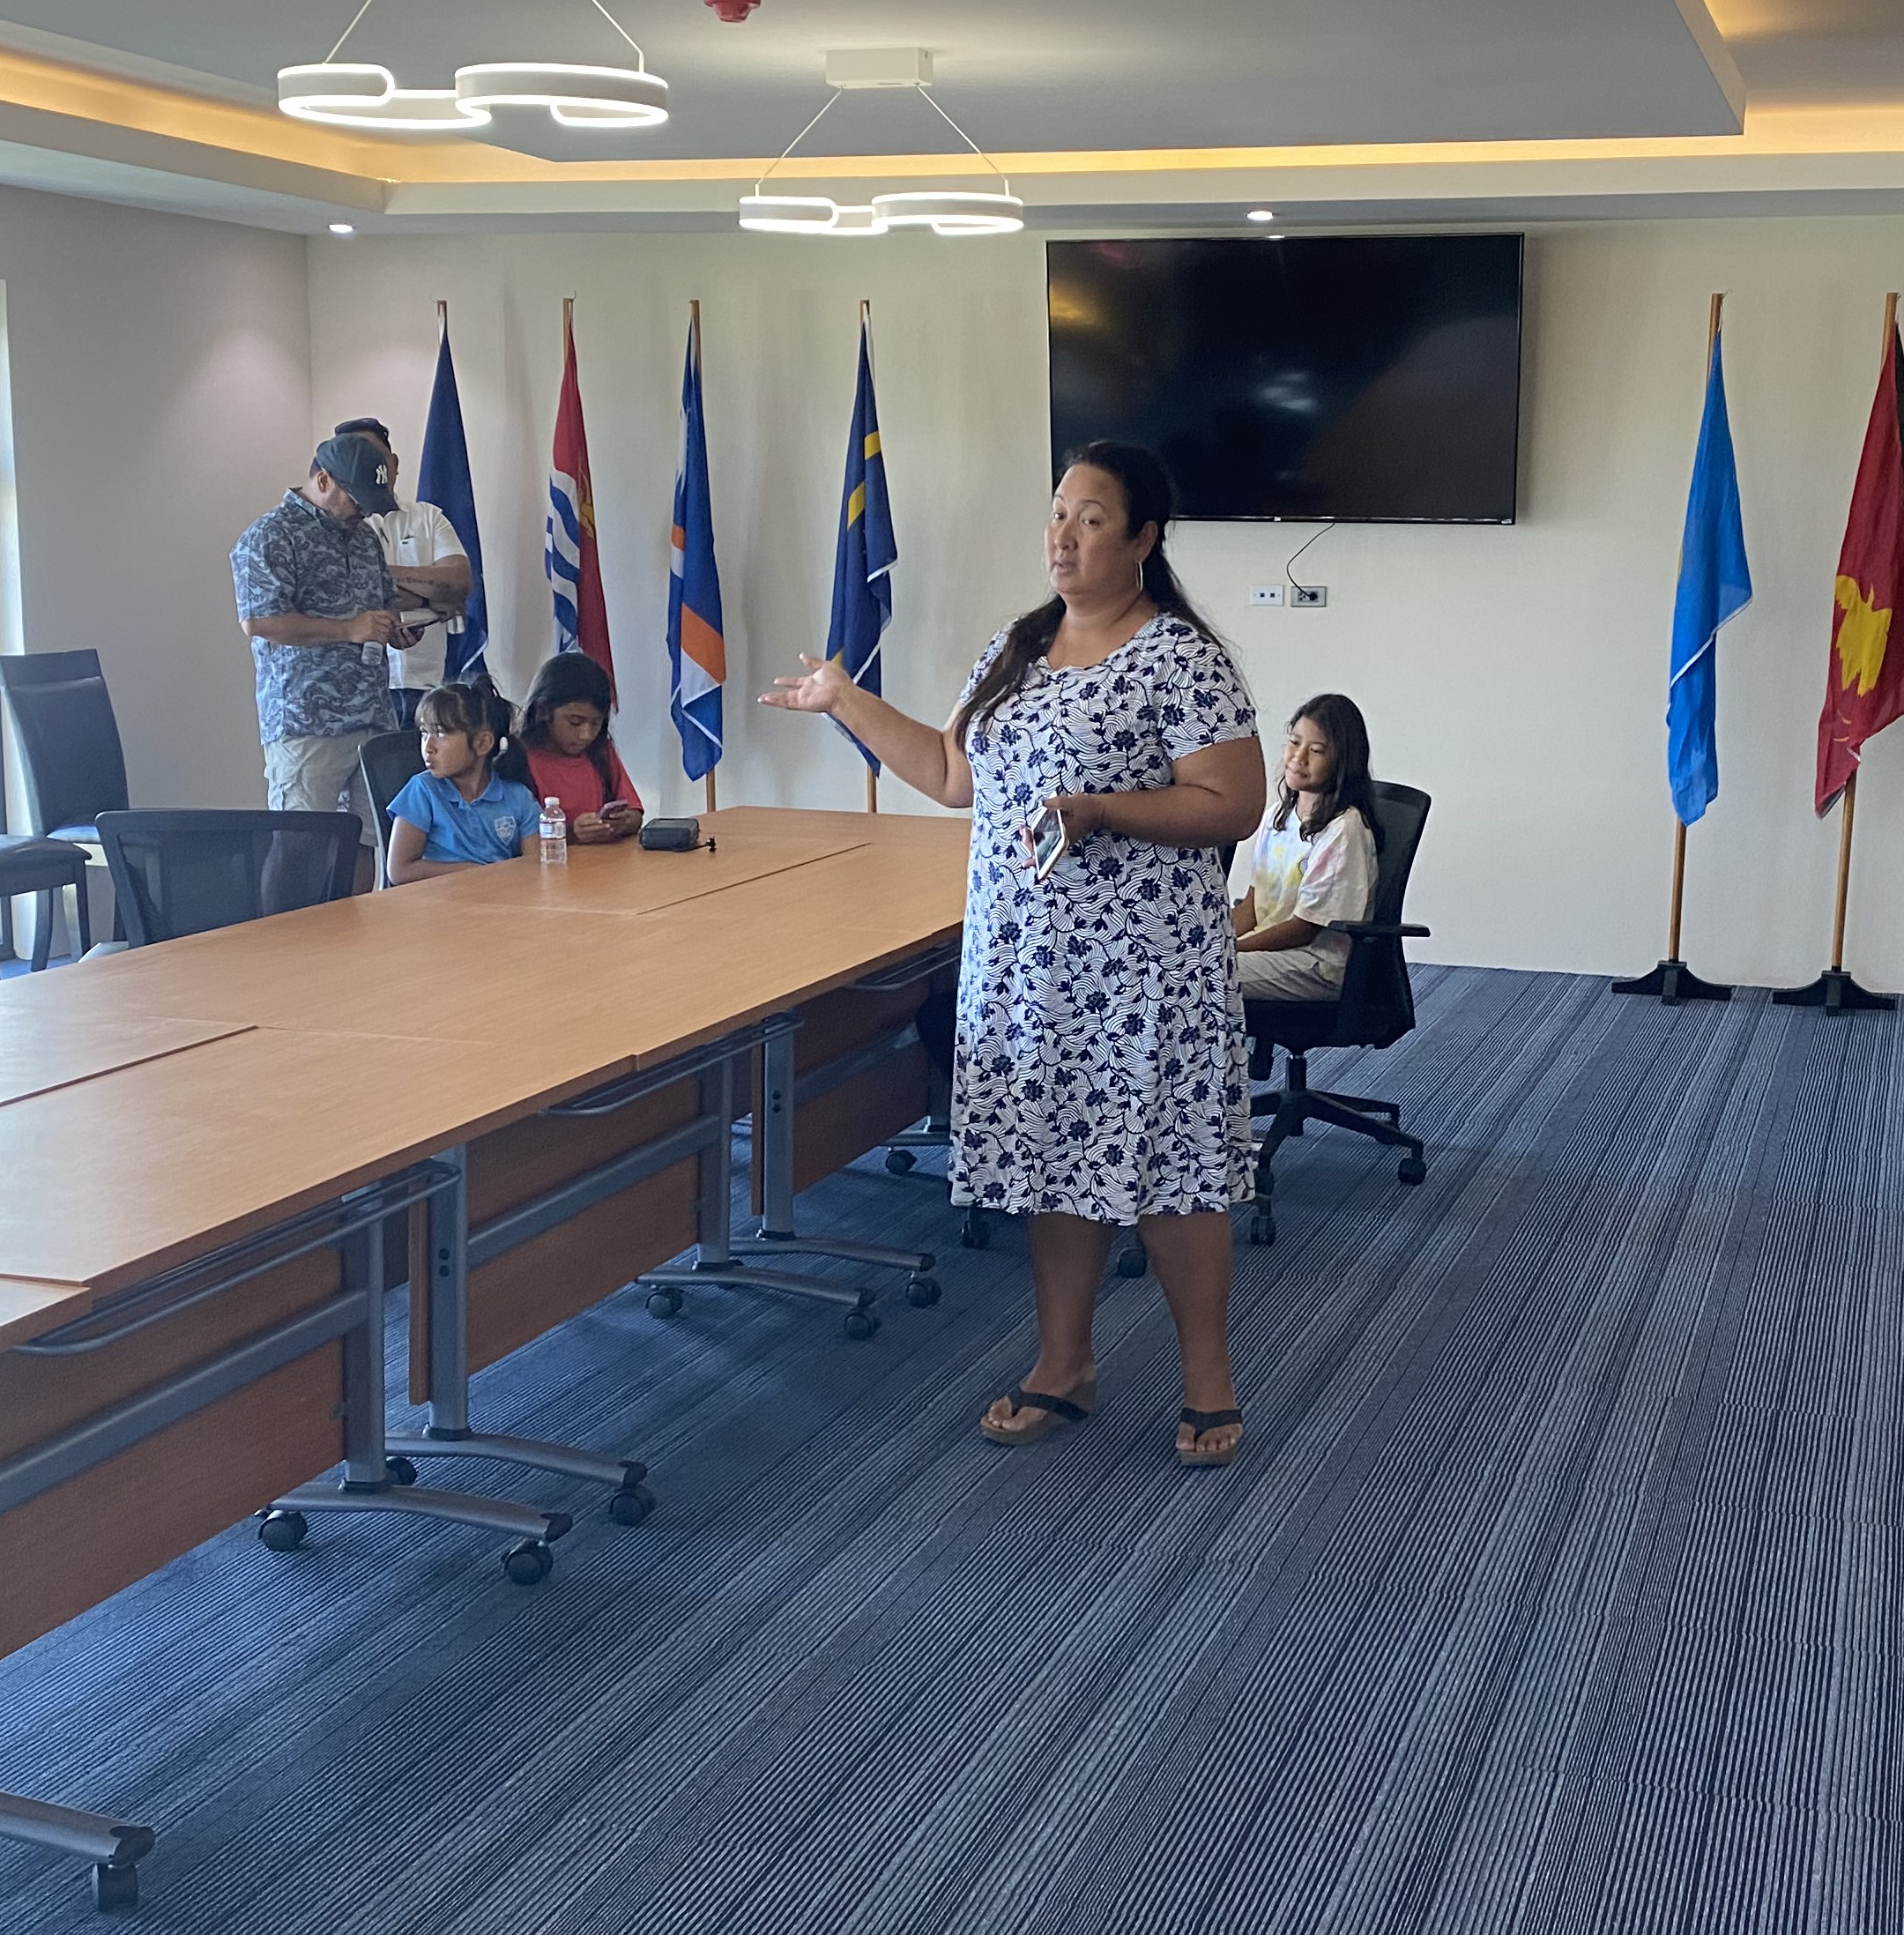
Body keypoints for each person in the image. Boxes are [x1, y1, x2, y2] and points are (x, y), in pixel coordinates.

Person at [762, 440, 1265, 1467]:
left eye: (1090, 517)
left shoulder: (1178, 655)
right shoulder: (1016, 646)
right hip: (1027, 966)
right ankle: (1063, 1364)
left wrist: (1097, 809)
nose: (1064, 534)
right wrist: (844, 701)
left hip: (1142, 968)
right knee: (1054, 1165)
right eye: (1056, 513)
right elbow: (955, 775)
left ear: (1143, 539)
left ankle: (1208, 1381)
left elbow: (1235, 804)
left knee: (1171, 1173)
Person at [234, 429, 413, 845]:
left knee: (369, 843)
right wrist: (350, 629)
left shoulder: (365, 538)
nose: (364, 513)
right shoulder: (271, 535)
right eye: (357, 501)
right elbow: (261, 621)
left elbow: (382, 604)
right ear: (323, 481)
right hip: (307, 722)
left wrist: (394, 629)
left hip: (372, 718)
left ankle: (357, 914)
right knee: (302, 848)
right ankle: (288, 915)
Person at [1233, 694, 1379, 1002]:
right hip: (1269, 950)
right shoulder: (1278, 815)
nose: (1298, 758)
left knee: (1201, 978)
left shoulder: (1344, 829)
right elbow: (1252, 903)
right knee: (1184, 965)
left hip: (1315, 963)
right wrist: (1215, 940)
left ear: (1341, 761)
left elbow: (1304, 928)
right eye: (1294, 742)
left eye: (1316, 750)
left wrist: (1234, 948)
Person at [334, 415, 476, 718]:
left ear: (394, 463)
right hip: (361, 687)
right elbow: (345, 599)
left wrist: (372, 572)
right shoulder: (337, 526)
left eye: (377, 458)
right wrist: (431, 598)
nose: (370, 468)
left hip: (429, 686)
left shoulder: (428, 517)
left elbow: (459, 581)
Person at [385, 681, 538, 883]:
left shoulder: (518, 798)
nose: (427, 747)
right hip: (441, 905)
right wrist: (472, 871)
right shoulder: (422, 791)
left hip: (500, 902)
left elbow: (534, 868)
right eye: (424, 733)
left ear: (482, 743)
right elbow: (400, 871)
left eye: (440, 733)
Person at [516, 651, 643, 842]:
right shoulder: (519, 759)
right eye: (575, 722)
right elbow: (516, 838)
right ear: (543, 710)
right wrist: (573, 833)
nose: (586, 735)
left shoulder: (600, 751)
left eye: (595, 723)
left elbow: (635, 814)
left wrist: (623, 822)